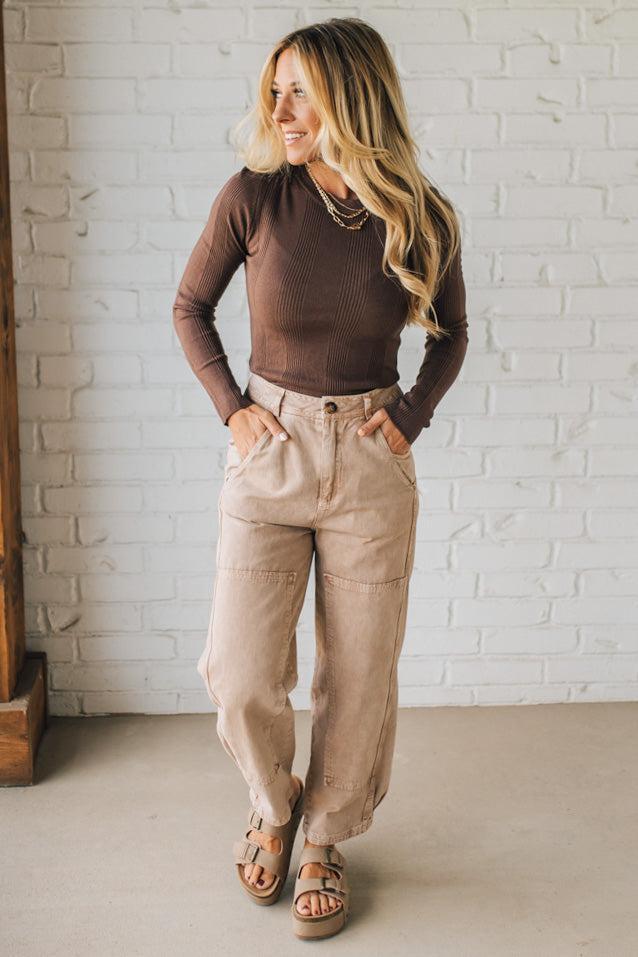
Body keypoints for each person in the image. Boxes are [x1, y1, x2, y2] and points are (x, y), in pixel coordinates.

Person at [173, 16, 468, 940]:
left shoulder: (419, 210)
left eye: (300, 89)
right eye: (275, 89)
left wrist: (410, 416)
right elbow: (190, 308)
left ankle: (326, 839)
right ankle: (274, 803)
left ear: (353, 95)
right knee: (240, 666)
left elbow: (452, 335)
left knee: (360, 673)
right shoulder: (254, 197)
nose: (279, 107)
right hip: (272, 451)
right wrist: (234, 405)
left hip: (370, 459)